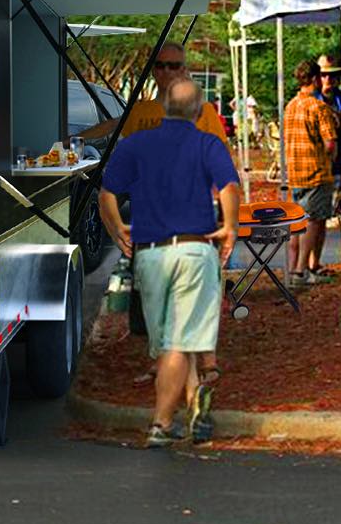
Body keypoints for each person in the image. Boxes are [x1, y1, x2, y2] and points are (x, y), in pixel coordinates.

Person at [99, 79, 240, 447]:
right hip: (193, 249)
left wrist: (117, 230)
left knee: (170, 341)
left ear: (163, 108)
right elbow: (228, 187)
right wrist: (229, 227)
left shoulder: (136, 144)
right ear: (198, 111)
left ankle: (194, 406)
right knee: (181, 339)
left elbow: (107, 192)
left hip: (150, 254)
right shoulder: (207, 143)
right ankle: (161, 424)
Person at [76, 43, 230, 149]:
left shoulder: (204, 110)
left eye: (174, 66)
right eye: (160, 65)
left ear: (182, 71)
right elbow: (112, 125)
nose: (167, 71)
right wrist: (72, 140)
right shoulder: (139, 112)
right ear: (154, 71)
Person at [282, 58, 340, 286]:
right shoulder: (318, 107)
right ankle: (300, 270)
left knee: (297, 223)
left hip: (295, 173)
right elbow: (330, 143)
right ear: (315, 78)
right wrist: (331, 158)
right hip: (316, 172)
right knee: (314, 222)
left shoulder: (290, 106)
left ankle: (295, 266)